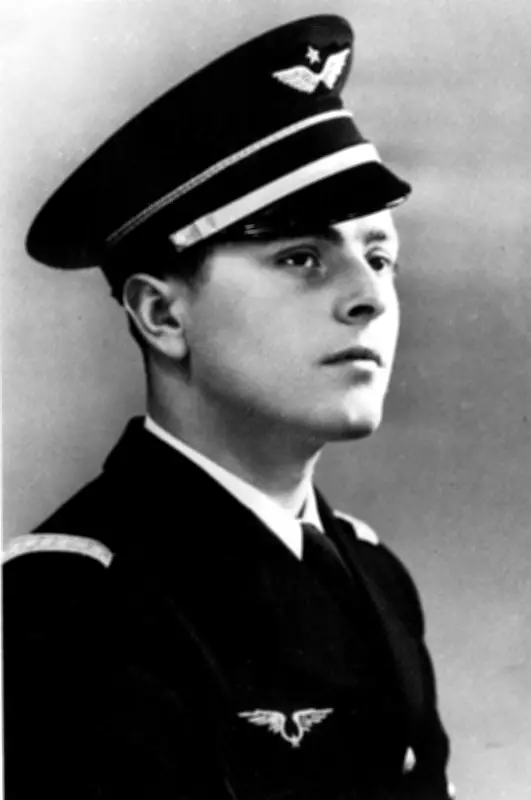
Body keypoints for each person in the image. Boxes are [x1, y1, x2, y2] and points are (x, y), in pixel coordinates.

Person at [3, 14, 455, 800]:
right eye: (301, 257)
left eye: (379, 257)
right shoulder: (70, 607)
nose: (370, 298)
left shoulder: (375, 574)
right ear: (162, 314)